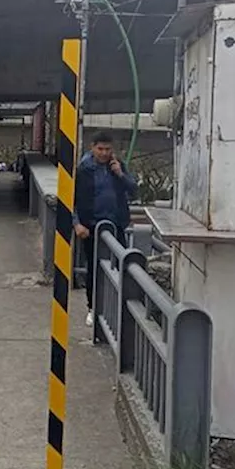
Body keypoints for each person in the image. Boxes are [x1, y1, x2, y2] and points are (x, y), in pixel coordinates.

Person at [73, 131, 138, 326]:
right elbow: (70, 199)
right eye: (100, 149)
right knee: (94, 269)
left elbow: (133, 190)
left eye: (107, 149)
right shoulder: (83, 170)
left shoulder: (117, 167)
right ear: (92, 148)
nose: (103, 153)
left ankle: (117, 310)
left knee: (121, 267)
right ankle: (93, 308)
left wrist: (120, 174)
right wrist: (77, 224)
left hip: (116, 225)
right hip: (91, 227)